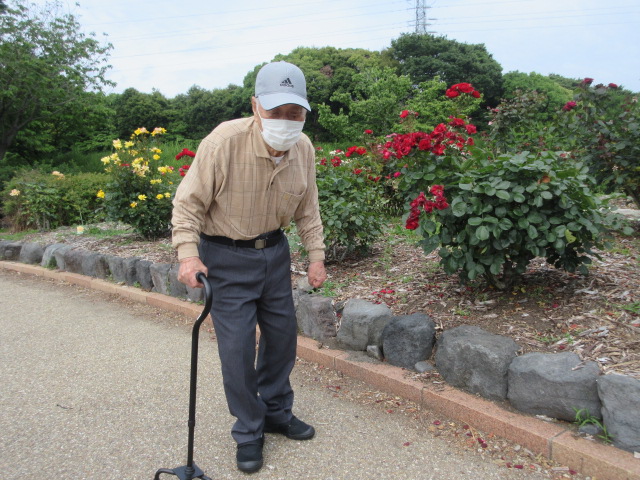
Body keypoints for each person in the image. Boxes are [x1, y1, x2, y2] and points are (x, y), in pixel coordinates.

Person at [171, 60, 327, 474]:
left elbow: (308, 209)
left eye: (295, 113)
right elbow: (189, 203)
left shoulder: (304, 149)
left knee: (282, 338)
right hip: (225, 257)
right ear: (256, 105)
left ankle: (276, 411)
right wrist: (188, 254)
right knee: (238, 349)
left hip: (274, 255)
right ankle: (249, 429)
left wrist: (316, 256)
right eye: (276, 112)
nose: (286, 121)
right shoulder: (224, 141)